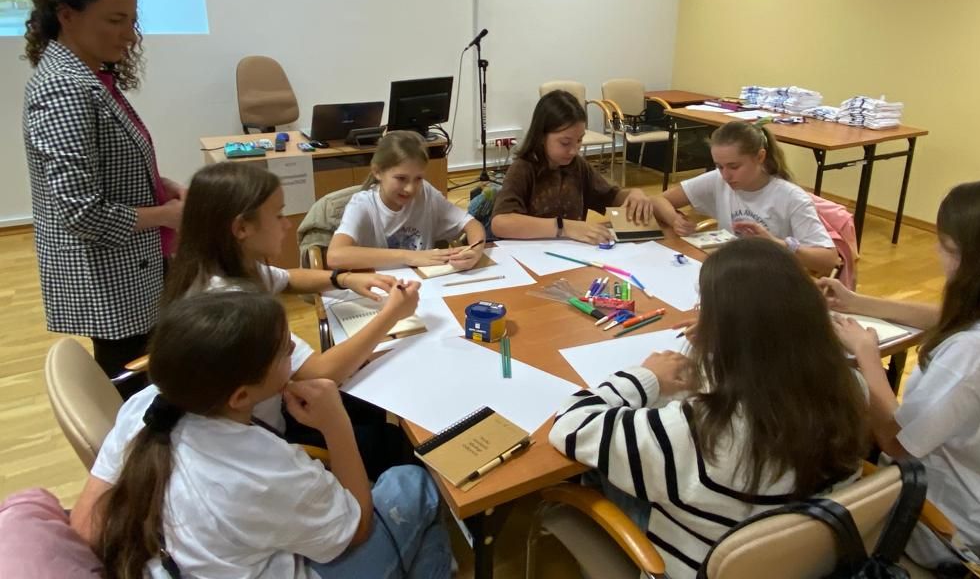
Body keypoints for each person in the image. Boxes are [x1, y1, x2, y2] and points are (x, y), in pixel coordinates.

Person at [69, 292, 452, 579]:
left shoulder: (148, 404)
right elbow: (357, 527)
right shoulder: (261, 470)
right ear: (240, 396)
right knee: (415, 481)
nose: (295, 351)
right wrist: (336, 425)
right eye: (286, 351)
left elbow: (86, 523)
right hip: (286, 559)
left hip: (188, 563)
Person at [550, 238, 867, 579]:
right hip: (799, 564)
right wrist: (720, 356)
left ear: (726, 331)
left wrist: (647, 377)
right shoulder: (850, 387)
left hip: (691, 564)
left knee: (585, 474)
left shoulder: (700, 432)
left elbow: (571, 425)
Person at [823, 176, 980, 569]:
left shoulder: (971, 354)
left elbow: (897, 444)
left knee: (840, 411)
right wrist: (858, 302)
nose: (936, 250)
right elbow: (952, 316)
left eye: (946, 245)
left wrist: (867, 355)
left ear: (977, 263)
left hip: (952, 527)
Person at [163, 162, 416, 473]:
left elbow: (288, 278)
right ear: (241, 228)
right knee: (392, 440)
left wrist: (344, 279)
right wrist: (392, 314)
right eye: (279, 215)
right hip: (269, 435)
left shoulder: (222, 264)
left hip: (264, 406)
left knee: (374, 401)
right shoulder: (232, 303)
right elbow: (321, 372)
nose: (286, 225)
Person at [22, 0, 184, 391]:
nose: (129, 35)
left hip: (134, 270)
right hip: (111, 280)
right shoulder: (63, 88)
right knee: (139, 398)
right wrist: (167, 215)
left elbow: (105, 167)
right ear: (66, 14)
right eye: (115, 21)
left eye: (132, 21)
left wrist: (161, 186)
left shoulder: (91, 76)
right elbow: (81, 211)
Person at [651, 120, 838, 274]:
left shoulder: (791, 197)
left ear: (760, 157)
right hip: (733, 272)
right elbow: (658, 200)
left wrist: (775, 244)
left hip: (773, 280)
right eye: (719, 166)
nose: (726, 175)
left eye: (734, 167)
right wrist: (674, 219)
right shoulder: (719, 180)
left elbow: (829, 260)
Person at [490, 90, 652, 244]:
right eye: (565, 143)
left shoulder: (578, 166)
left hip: (572, 253)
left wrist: (634, 194)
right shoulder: (524, 168)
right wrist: (563, 227)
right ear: (541, 136)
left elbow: (610, 197)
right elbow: (500, 223)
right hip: (530, 255)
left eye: (579, 140)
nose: (574, 151)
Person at [327, 130, 486, 270]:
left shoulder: (426, 193)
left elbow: (471, 224)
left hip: (425, 284)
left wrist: (476, 251)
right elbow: (335, 256)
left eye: (418, 178)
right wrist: (408, 256)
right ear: (377, 172)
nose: (410, 188)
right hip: (382, 286)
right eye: (401, 178)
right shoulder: (363, 204)